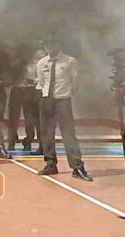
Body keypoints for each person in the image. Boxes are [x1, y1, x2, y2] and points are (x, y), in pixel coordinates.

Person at [35, 37, 92, 181]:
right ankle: (50, 164)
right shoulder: (41, 63)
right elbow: (41, 82)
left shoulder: (69, 61)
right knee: (47, 133)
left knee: (68, 134)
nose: (48, 47)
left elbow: (75, 81)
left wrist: (67, 95)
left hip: (62, 101)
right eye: (45, 45)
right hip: (46, 100)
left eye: (50, 44)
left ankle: (77, 167)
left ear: (57, 44)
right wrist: (43, 97)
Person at [7, 48, 45, 153]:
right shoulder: (18, 63)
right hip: (18, 90)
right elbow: (10, 78)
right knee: (14, 119)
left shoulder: (41, 64)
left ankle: (30, 141)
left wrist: (33, 81)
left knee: (32, 119)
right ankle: (12, 142)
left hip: (31, 91)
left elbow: (43, 78)